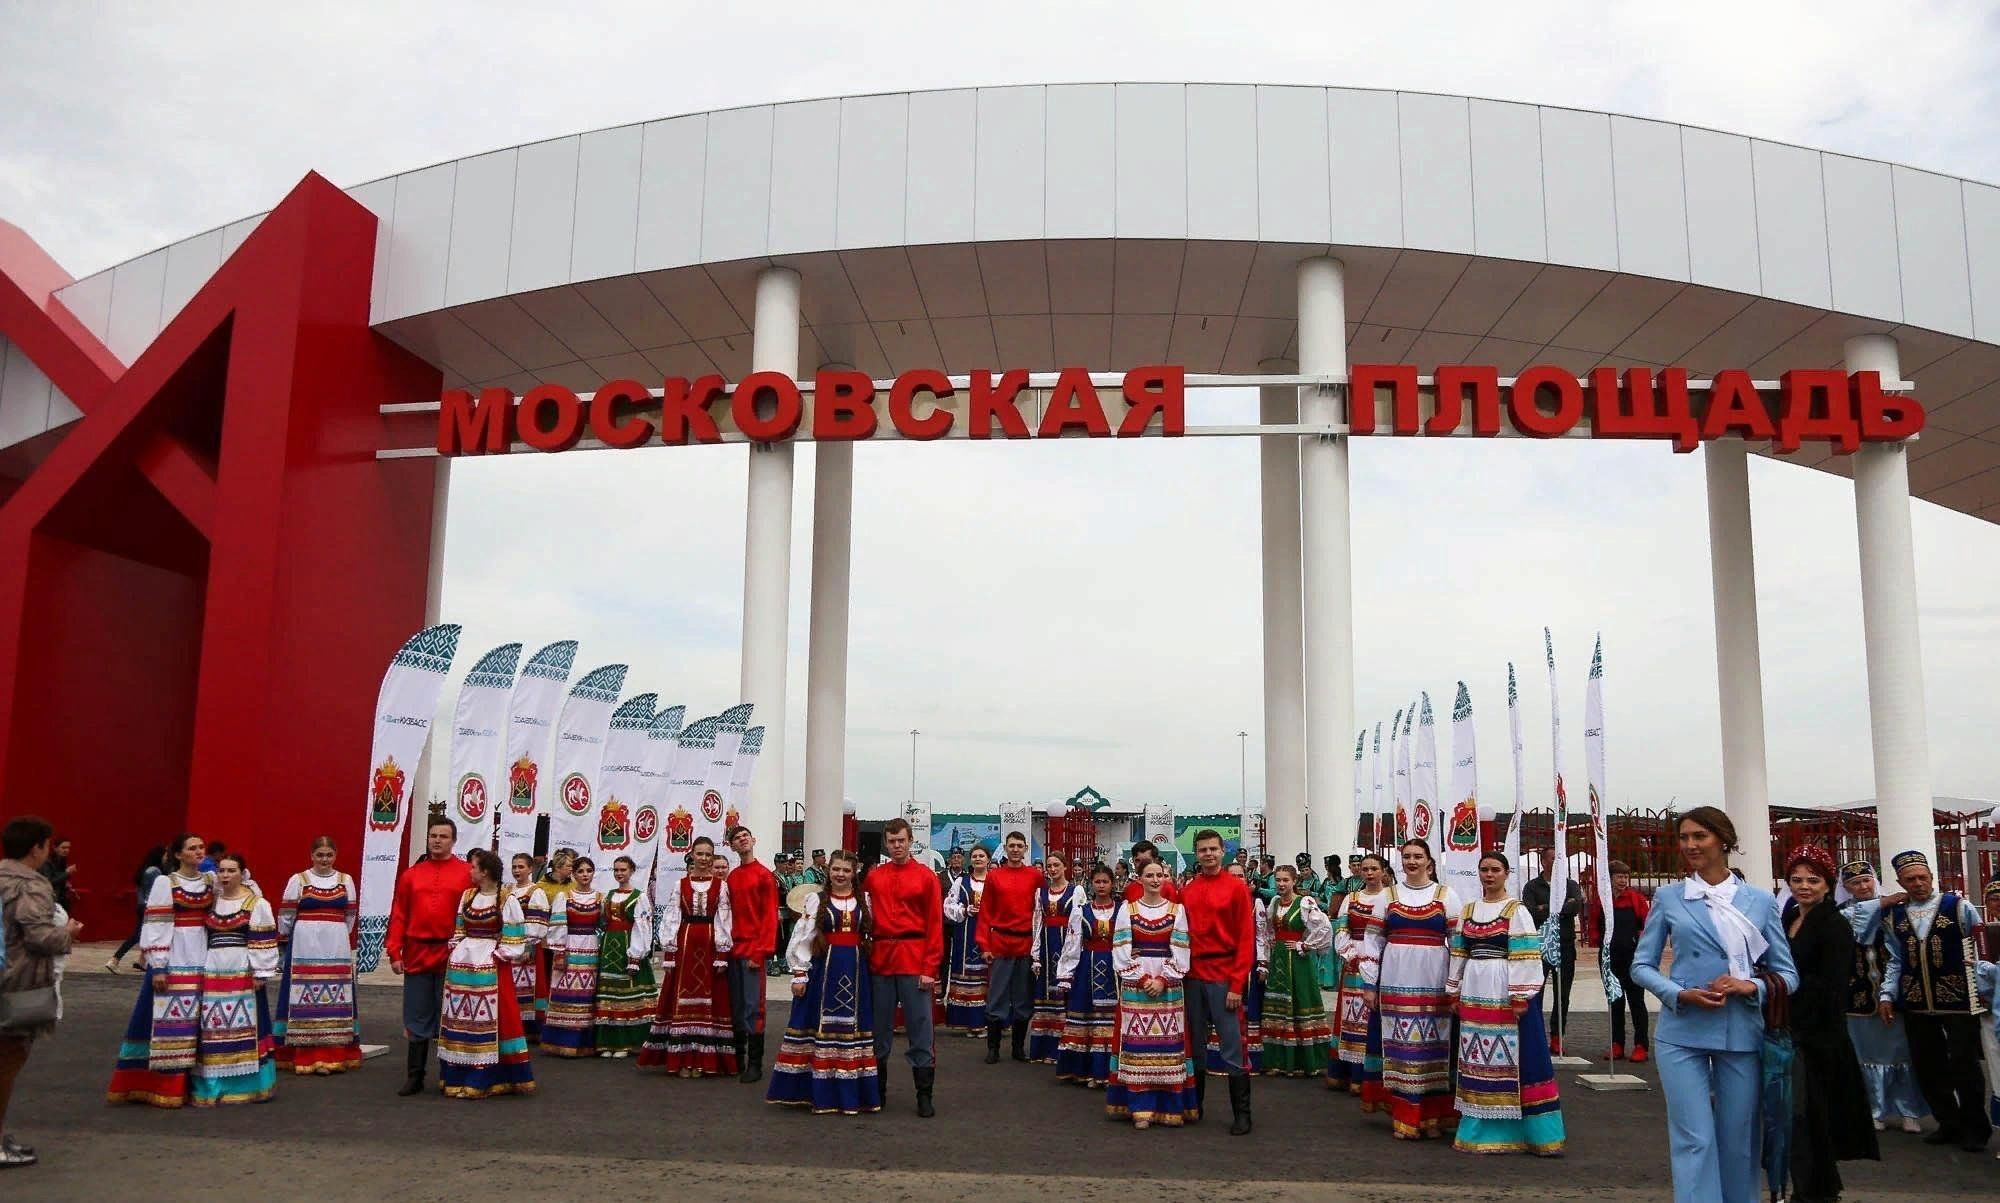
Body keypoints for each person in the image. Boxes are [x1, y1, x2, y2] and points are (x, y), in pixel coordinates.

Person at [1630, 805, 1798, 1203]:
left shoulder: (1759, 901)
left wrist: (1750, 986)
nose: (1691, 845)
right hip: (1681, 1031)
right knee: (1695, 1139)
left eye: (1699, 837)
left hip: (1741, 1031)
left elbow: (1788, 976)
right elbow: (1641, 965)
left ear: (1723, 840)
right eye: (1684, 837)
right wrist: (1677, 994)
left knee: (1738, 1140)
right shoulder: (1670, 897)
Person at [1779, 843, 1878, 1200]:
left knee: (1809, 1116)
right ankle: (1814, 1188)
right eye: (1796, 879)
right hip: (1791, 1030)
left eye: (1813, 880)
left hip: (1818, 1035)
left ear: (1827, 884)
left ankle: (1814, 1193)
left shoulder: (1833, 925)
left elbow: (1830, 985)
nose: (1804, 886)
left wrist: (1785, 997)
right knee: (1799, 1117)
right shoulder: (1790, 918)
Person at [1447, 851, 1563, 1156]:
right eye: (1484, 869)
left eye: (1495, 869)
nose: (1489, 874)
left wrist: (1520, 995)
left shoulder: (1516, 911)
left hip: (1502, 986)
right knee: (1477, 1053)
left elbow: (1525, 953)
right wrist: (1453, 988)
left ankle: (1522, 1130)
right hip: (1474, 987)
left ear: (1506, 873)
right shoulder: (1469, 910)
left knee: (1512, 1055)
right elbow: (1459, 951)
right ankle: (1478, 1126)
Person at [1876, 848, 1991, 1152]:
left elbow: (1980, 951)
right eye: (1910, 879)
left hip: (1959, 998)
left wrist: (1985, 989)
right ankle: (1948, 1122)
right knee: (1928, 1064)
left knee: (1964, 1063)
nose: (1917, 883)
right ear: (1901, 881)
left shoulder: (1959, 907)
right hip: (1915, 999)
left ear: (1932, 877)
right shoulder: (1894, 916)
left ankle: (1975, 1128)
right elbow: (1894, 959)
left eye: (1922, 877)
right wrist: (1887, 994)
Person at [1364, 839, 1466, 1140]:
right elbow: (1373, 940)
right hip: (1396, 978)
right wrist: (1370, 983)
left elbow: (1457, 942)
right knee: (1402, 1046)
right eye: (1406, 856)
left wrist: (1454, 983)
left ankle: (1433, 1117)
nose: (1412, 861)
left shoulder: (1446, 895)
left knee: (1434, 1047)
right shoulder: (1388, 896)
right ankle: (1406, 1116)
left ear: (1429, 861)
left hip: (1433, 979)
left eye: (1417, 856)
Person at [767, 849, 881, 1114]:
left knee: (851, 1030)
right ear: (829, 871)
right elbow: (803, 937)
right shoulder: (816, 900)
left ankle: (851, 1094)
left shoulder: (864, 900)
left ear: (854, 874)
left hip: (855, 971)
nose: (840, 874)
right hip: (823, 971)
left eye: (846, 870)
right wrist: (799, 972)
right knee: (816, 1025)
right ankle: (815, 1093)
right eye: (836, 869)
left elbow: (870, 935)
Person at [107, 832, 212, 1108]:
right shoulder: (166, 883)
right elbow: (157, 925)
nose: (199, 852)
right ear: (178, 854)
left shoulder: (209, 881)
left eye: (201, 847)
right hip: (176, 952)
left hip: (202, 955)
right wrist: (159, 966)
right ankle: (164, 1084)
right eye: (192, 848)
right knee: (169, 1018)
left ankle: (196, 1081)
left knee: (198, 1019)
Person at [2, 815, 80, 1166]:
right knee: (7, 1061)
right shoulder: (31, 884)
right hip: (18, 982)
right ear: (37, 846)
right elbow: (38, 935)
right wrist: (69, 933)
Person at [382, 816, 473, 1097]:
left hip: (453, 951)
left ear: (453, 840)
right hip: (417, 951)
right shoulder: (411, 875)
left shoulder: (468, 873)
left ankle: (451, 1075)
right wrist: (394, 950)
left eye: (443, 836)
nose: (437, 840)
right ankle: (415, 1075)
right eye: (433, 835)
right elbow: (399, 914)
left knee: (451, 1014)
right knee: (417, 1014)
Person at [437, 848, 536, 1099]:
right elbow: (459, 927)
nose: (470, 871)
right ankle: (456, 1074)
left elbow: (515, 935)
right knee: (462, 1016)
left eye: (474, 867)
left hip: (490, 965)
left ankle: (487, 1076)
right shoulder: (468, 896)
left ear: (485, 872)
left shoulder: (506, 899)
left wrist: (499, 954)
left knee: (491, 1019)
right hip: (464, 964)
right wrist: (457, 948)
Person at [1836, 861, 1927, 1133]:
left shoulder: (1895, 911)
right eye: (1855, 883)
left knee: (1902, 1052)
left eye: (1866, 880)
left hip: (1895, 993)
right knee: (1865, 1054)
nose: (1863, 886)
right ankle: (1875, 1109)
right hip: (1857, 996)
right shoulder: (1842, 913)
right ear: (1846, 888)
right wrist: (1884, 901)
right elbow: (1854, 920)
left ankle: (1908, 1110)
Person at [1106, 859, 1197, 1129]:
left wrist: (1164, 979)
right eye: (1150, 875)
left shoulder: (1177, 910)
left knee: (1168, 1044)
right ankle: (1139, 1107)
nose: (1156, 880)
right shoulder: (1128, 909)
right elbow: (1121, 948)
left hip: (1168, 983)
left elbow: (1181, 949)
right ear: (1140, 878)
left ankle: (1169, 1107)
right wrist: (1144, 978)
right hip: (1137, 982)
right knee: (1137, 1043)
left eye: (1160, 875)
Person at [865, 817, 944, 1117]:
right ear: (886, 843)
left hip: (914, 959)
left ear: (911, 841)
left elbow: (935, 925)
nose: (897, 846)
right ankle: (877, 1091)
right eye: (892, 841)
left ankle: (924, 1094)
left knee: (921, 1028)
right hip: (882, 959)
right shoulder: (875, 877)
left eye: (902, 840)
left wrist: (930, 967)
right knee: (879, 1030)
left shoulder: (926, 877)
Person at [1180, 828, 1257, 1134]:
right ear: (1196, 854)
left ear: (1223, 851)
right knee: (1194, 1045)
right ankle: (1195, 1105)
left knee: (1232, 1046)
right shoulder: (1187, 890)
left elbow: (1245, 938)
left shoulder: (1237, 888)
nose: (1208, 854)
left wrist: (1237, 984)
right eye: (1202, 850)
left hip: (1225, 976)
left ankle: (1242, 1113)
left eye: (1213, 849)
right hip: (1193, 977)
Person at [187, 852, 279, 1106]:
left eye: (231, 871)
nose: (225, 875)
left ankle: (248, 1083)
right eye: (222, 870)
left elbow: (263, 940)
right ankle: (213, 1084)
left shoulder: (256, 904)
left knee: (245, 1024)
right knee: (214, 1025)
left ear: (242, 874)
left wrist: (260, 972)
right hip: (214, 969)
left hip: (241, 969)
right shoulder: (213, 902)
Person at [640, 836, 737, 1077]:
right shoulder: (679, 884)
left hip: (710, 942)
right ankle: (682, 1058)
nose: (704, 859)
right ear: (692, 855)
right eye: (700, 854)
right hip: (685, 942)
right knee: (682, 998)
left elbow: (723, 918)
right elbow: (672, 916)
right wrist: (670, 951)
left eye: (708, 855)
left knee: (710, 999)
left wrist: (723, 952)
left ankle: (703, 1060)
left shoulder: (721, 886)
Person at [273, 836, 361, 1075]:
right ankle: (304, 1054)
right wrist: (293, 937)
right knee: (304, 992)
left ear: (335, 856)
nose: (324, 860)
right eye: (320, 855)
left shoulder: (346, 880)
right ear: (312, 856)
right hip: (305, 944)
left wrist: (336, 933)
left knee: (335, 995)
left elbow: (350, 915)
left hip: (335, 945)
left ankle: (333, 1053)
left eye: (329, 855)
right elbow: (287, 915)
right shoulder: (298, 880)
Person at [1258, 862, 1333, 1078]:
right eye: (1278, 880)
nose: (1281, 884)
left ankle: (1305, 1061)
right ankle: (1278, 1061)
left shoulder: (1305, 902)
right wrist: (1271, 946)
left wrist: (1305, 945)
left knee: (1301, 1000)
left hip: (1298, 960)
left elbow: (1324, 927)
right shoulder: (1273, 902)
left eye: (1285, 880)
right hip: (1279, 959)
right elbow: (1267, 931)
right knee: (1279, 1005)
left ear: (1294, 881)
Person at [1331, 852, 1392, 1104]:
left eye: (1373, 869)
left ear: (1383, 871)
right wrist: (1351, 956)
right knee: (1352, 1016)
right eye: (1365, 869)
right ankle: (1350, 1073)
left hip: (1383, 960)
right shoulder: (1351, 898)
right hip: (1355, 960)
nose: (1368, 873)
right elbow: (1341, 929)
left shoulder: (1392, 898)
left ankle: (1373, 1073)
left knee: (1375, 1016)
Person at [977, 830, 1042, 1064]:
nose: (1015, 849)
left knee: (1023, 998)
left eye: (1019, 846)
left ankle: (1017, 1048)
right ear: (1005, 848)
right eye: (1011, 846)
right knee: (996, 997)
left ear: (1025, 849)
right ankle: (993, 1048)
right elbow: (985, 911)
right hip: (1001, 942)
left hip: (1025, 943)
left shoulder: (1035, 876)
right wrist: (984, 944)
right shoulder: (995, 876)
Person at [1053, 864, 1119, 1087]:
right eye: (1097, 882)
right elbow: (1072, 943)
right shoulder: (1081, 911)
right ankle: (1085, 1070)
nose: (1101, 886)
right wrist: (1066, 974)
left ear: (1112, 884)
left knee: (1109, 1019)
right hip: (1086, 968)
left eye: (1105, 882)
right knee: (1086, 1017)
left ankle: (1108, 1073)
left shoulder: (1122, 910)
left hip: (1114, 970)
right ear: (1091, 884)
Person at [724, 824, 778, 1082]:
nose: (742, 840)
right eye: (737, 838)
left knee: (753, 1006)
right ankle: (738, 1058)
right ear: (732, 846)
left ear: (753, 840)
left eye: (745, 836)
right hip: (733, 949)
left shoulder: (765, 875)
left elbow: (769, 917)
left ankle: (755, 1064)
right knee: (735, 1006)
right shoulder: (732, 878)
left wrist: (762, 951)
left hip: (754, 949)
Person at [593, 855, 657, 1058]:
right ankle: (608, 1043)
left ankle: (626, 1042)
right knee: (609, 993)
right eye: (616, 870)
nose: (619, 873)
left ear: (632, 871)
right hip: (609, 946)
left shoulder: (639, 896)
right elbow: (602, 922)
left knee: (625, 994)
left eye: (623, 870)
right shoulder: (609, 895)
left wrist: (636, 956)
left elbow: (643, 927)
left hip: (627, 945)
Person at [541, 855, 604, 1057]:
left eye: (588, 871)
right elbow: (558, 926)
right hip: (570, 946)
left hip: (591, 948)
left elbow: (603, 926)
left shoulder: (600, 898)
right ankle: (561, 1041)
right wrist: (560, 951)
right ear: (574, 874)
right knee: (566, 991)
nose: (585, 875)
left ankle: (584, 1042)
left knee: (586, 994)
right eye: (580, 871)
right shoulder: (564, 897)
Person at [1522, 852, 1583, 1054]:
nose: (1556, 863)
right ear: (1543, 861)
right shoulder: (1532, 886)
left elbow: (1575, 906)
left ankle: (1558, 1036)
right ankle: (1536, 1035)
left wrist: (1547, 908)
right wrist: (1557, 908)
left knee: (1562, 995)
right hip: (1540, 946)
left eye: (1559, 859)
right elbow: (1531, 911)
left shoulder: (1570, 884)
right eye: (1552, 859)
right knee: (1536, 993)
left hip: (1565, 946)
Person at [1028, 852, 1078, 1064]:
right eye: (1049, 865)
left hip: (1066, 945)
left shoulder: (1076, 891)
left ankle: (1061, 1050)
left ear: (1065, 866)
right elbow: (1037, 923)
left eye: (1057, 865)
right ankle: (1042, 1049)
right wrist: (1036, 955)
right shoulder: (1041, 893)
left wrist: (1073, 954)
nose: (1053, 869)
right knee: (1045, 997)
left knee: (1063, 996)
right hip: (1047, 945)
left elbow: (1077, 925)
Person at [941, 844, 992, 1034]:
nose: (978, 859)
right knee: (968, 975)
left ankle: (990, 1021)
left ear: (988, 859)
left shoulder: (994, 880)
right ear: (970, 860)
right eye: (975, 856)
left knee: (988, 976)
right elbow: (948, 905)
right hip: (967, 932)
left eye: (981, 855)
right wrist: (964, 910)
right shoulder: (961, 882)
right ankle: (970, 1022)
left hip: (989, 932)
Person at [1603, 860, 1650, 1063]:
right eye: (1619, 876)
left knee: (1636, 1001)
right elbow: (1597, 924)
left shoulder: (1636, 899)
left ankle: (1641, 1044)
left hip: (1633, 956)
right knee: (1615, 1001)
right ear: (1610, 878)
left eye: (1625, 877)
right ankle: (1617, 1044)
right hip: (1610, 957)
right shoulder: (1603, 900)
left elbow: (1647, 926)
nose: (1623, 880)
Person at [505, 854, 551, 1043]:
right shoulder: (507, 890)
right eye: (514, 866)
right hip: (509, 944)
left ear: (530, 869)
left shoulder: (535, 891)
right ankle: (513, 1024)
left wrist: (529, 945)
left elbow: (538, 920)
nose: (517, 870)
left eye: (521, 867)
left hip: (527, 945)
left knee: (529, 986)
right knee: (512, 985)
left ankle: (531, 1028)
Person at [106, 844, 166, 973]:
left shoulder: (144, 869)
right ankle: (115, 960)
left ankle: (141, 961)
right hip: (149, 906)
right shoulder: (155, 871)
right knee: (137, 935)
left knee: (144, 935)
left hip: (140, 904)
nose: (167, 857)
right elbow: (156, 891)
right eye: (165, 854)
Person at [36, 838, 72, 913]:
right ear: (55, 848)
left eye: (68, 848)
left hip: (60, 899)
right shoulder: (47, 862)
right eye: (63, 847)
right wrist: (66, 873)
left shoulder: (62, 860)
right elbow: (48, 881)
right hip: (49, 900)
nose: (66, 850)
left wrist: (66, 884)